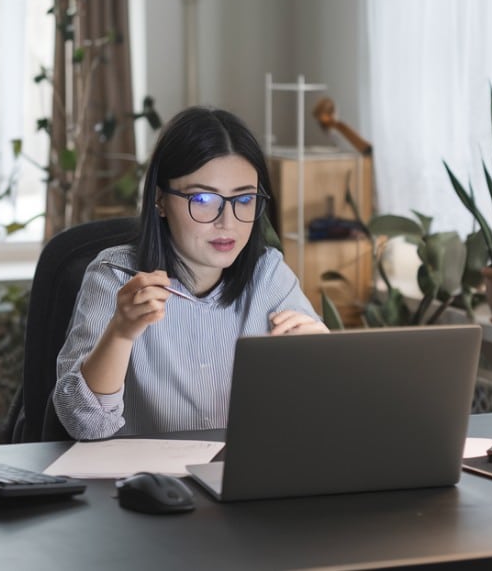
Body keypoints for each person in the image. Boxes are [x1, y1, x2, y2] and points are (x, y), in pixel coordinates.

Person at [52, 106, 327, 440]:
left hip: (241, 479)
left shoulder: (269, 275)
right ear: (160, 200)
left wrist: (320, 359)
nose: (227, 222)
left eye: (244, 199)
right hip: (146, 482)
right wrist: (121, 333)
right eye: (202, 198)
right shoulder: (115, 276)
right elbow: (84, 425)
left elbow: (326, 413)